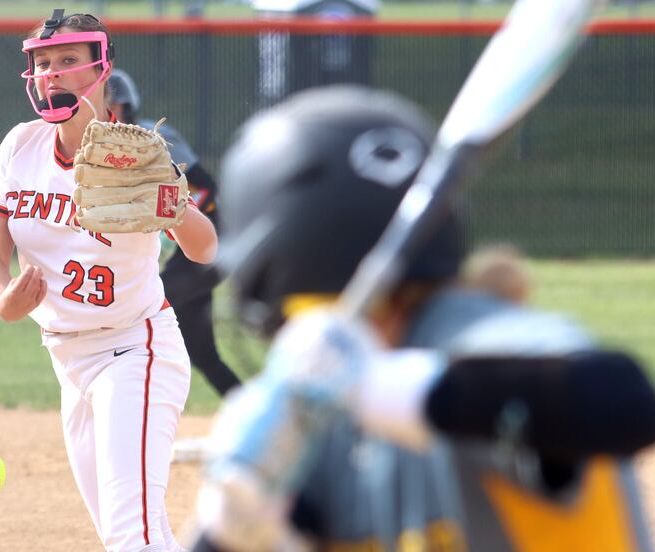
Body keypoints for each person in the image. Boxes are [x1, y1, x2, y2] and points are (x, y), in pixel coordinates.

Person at [188, 85, 655, 551]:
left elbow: (621, 401)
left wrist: (378, 386)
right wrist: (234, 528)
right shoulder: (326, 421)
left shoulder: (472, 339)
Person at [0, 10, 217, 552]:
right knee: (129, 537)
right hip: (69, 361)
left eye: (67, 62)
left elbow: (204, 249)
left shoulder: (135, 154)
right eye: (42, 64)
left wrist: (172, 204)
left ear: (101, 69)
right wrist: (1, 301)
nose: (52, 74)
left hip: (135, 350)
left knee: (135, 538)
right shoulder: (21, 146)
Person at [106, 69, 241, 396]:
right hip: (185, 256)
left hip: (211, 241)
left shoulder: (147, 134)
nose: (110, 112)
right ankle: (258, 419)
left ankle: (134, 393)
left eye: (113, 105)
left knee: (145, 303)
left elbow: (208, 189)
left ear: (127, 105)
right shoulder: (99, 146)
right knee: (204, 355)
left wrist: (179, 214)